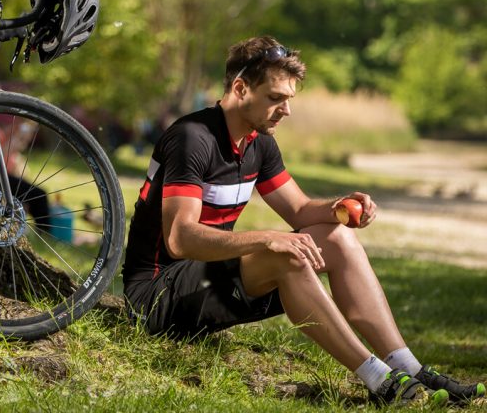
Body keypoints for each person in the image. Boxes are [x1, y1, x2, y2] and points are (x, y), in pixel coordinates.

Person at [123, 36, 485, 406]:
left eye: (289, 100)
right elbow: (180, 240)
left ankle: (408, 368)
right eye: (276, 98)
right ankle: (381, 382)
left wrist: (339, 208)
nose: (286, 110)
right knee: (286, 254)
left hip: (210, 283)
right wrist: (266, 239)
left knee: (337, 238)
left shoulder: (258, 141)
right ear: (240, 88)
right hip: (156, 297)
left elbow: (298, 210)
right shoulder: (192, 138)